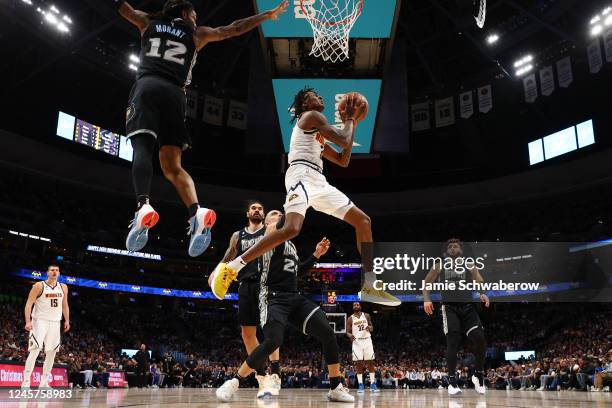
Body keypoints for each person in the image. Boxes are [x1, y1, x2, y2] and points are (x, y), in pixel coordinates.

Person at [114, 0, 288, 256]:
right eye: (194, 14)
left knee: (142, 147)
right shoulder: (196, 34)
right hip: (175, 95)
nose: (196, 18)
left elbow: (122, 7)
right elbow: (235, 28)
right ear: (184, 13)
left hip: (147, 87)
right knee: (172, 166)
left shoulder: (147, 22)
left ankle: (143, 205)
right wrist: (266, 16)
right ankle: (196, 211)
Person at [210, 89, 400, 306]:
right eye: (313, 94)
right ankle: (232, 267)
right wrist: (349, 119)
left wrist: (353, 123)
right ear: (304, 105)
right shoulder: (311, 116)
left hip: (319, 181)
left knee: (363, 221)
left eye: (319, 94)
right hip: (300, 174)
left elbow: (342, 159)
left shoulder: (316, 131)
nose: (319, 97)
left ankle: (372, 285)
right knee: (291, 228)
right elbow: (342, 139)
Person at [215, 210, 353, 402]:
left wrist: (315, 255)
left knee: (327, 332)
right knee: (273, 341)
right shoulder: (268, 234)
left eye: (281, 213)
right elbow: (281, 225)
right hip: (272, 297)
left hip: (293, 297)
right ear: (266, 222)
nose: (279, 214)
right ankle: (234, 381)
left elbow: (297, 273)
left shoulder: (290, 244)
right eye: (274, 213)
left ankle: (335, 386)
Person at [219, 200, 281, 397]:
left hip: (265, 284)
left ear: (264, 215)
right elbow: (229, 255)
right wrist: (217, 271)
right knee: (247, 334)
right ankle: (262, 376)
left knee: (271, 330)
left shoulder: (269, 230)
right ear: (247, 213)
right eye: (253, 208)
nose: (257, 210)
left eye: (260, 208)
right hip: (245, 285)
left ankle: (277, 372)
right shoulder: (238, 235)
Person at [422, 238, 490, 396]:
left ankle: (478, 375)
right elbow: (426, 283)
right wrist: (426, 299)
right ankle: (452, 382)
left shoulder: (469, 264)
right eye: (450, 246)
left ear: (461, 249)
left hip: (468, 307)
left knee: (479, 339)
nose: (453, 248)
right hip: (449, 307)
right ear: (447, 251)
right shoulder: (439, 265)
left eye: (456, 246)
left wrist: (482, 293)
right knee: (453, 341)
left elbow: (478, 280)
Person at [21, 265, 70, 389]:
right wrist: (28, 321)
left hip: (55, 322)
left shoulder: (63, 287)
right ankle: (26, 382)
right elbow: (28, 304)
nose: (54, 272)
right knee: (35, 351)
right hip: (39, 321)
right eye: (52, 270)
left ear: (59, 273)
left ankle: (43, 383)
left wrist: (67, 320)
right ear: (47, 272)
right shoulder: (38, 286)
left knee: (51, 353)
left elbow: (65, 305)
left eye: (57, 270)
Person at [346, 302, 378, 393]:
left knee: (370, 362)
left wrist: (370, 328)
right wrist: (350, 335)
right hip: (357, 342)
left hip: (367, 340)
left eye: (357, 305)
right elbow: (347, 331)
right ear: (353, 307)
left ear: (360, 306)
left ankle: (372, 384)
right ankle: (360, 384)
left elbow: (372, 327)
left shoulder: (367, 315)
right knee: (358, 363)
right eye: (354, 305)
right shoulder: (350, 319)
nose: (356, 306)